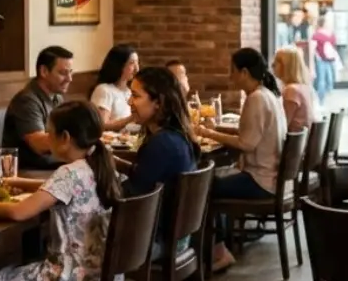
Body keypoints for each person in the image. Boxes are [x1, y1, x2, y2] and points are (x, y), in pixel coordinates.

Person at [0, 102, 122, 281]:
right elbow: (67, 188)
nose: (46, 136)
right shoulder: (101, 165)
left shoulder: (67, 173)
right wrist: (21, 183)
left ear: (65, 138)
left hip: (69, 277)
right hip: (106, 274)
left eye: (49, 131)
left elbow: (19, 212)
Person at [199, 48, 289, 200]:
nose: (230, 76)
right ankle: (224, 223)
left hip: (260, 181)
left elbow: (246, 143)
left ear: (245, 73)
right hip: (272, 178)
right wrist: (217, 128)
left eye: (233, 71)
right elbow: (250, 133)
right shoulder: (268, 94)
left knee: (202, 184)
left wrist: (209, 133)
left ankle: (220, 224)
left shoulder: (256, 98)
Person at [120, 66, 200, 198]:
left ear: (158, 102)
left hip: (155, 217)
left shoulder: (162, 143)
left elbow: (134, 194)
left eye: (135, 96)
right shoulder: (175, 136)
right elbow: (146, 175)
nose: (129, 102)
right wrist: (117, 164)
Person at [4, 46, 74, 170]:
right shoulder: (26, 100)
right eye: (63, 73)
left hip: (54, 164)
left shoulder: (57, 96)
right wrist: (76, 139)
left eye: (70, 72)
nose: (69, 79)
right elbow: (39, 144)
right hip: (28, 170)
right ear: (44, 72)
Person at [90, 44, 139, 131]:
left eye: (137, 62)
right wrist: (132, 117)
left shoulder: (129, 91)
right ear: (119, 65)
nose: (137, 68)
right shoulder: (104, 89)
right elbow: (102, 125)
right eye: (131, 63)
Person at [273, 45, 320, 131]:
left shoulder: (291, 91)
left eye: (277, 61)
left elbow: (282, 125)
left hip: (291, 142)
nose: (272, 65)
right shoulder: (305, 87)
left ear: (287, 65)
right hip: (303, 142)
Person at [312, 14, 339, 105]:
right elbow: (312, 50)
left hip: (329, 60)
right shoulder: (316, 35)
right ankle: (321, 100)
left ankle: (324, 96)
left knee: (329, 79)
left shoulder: (330, 34)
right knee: (323, 80)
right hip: (321, 60)